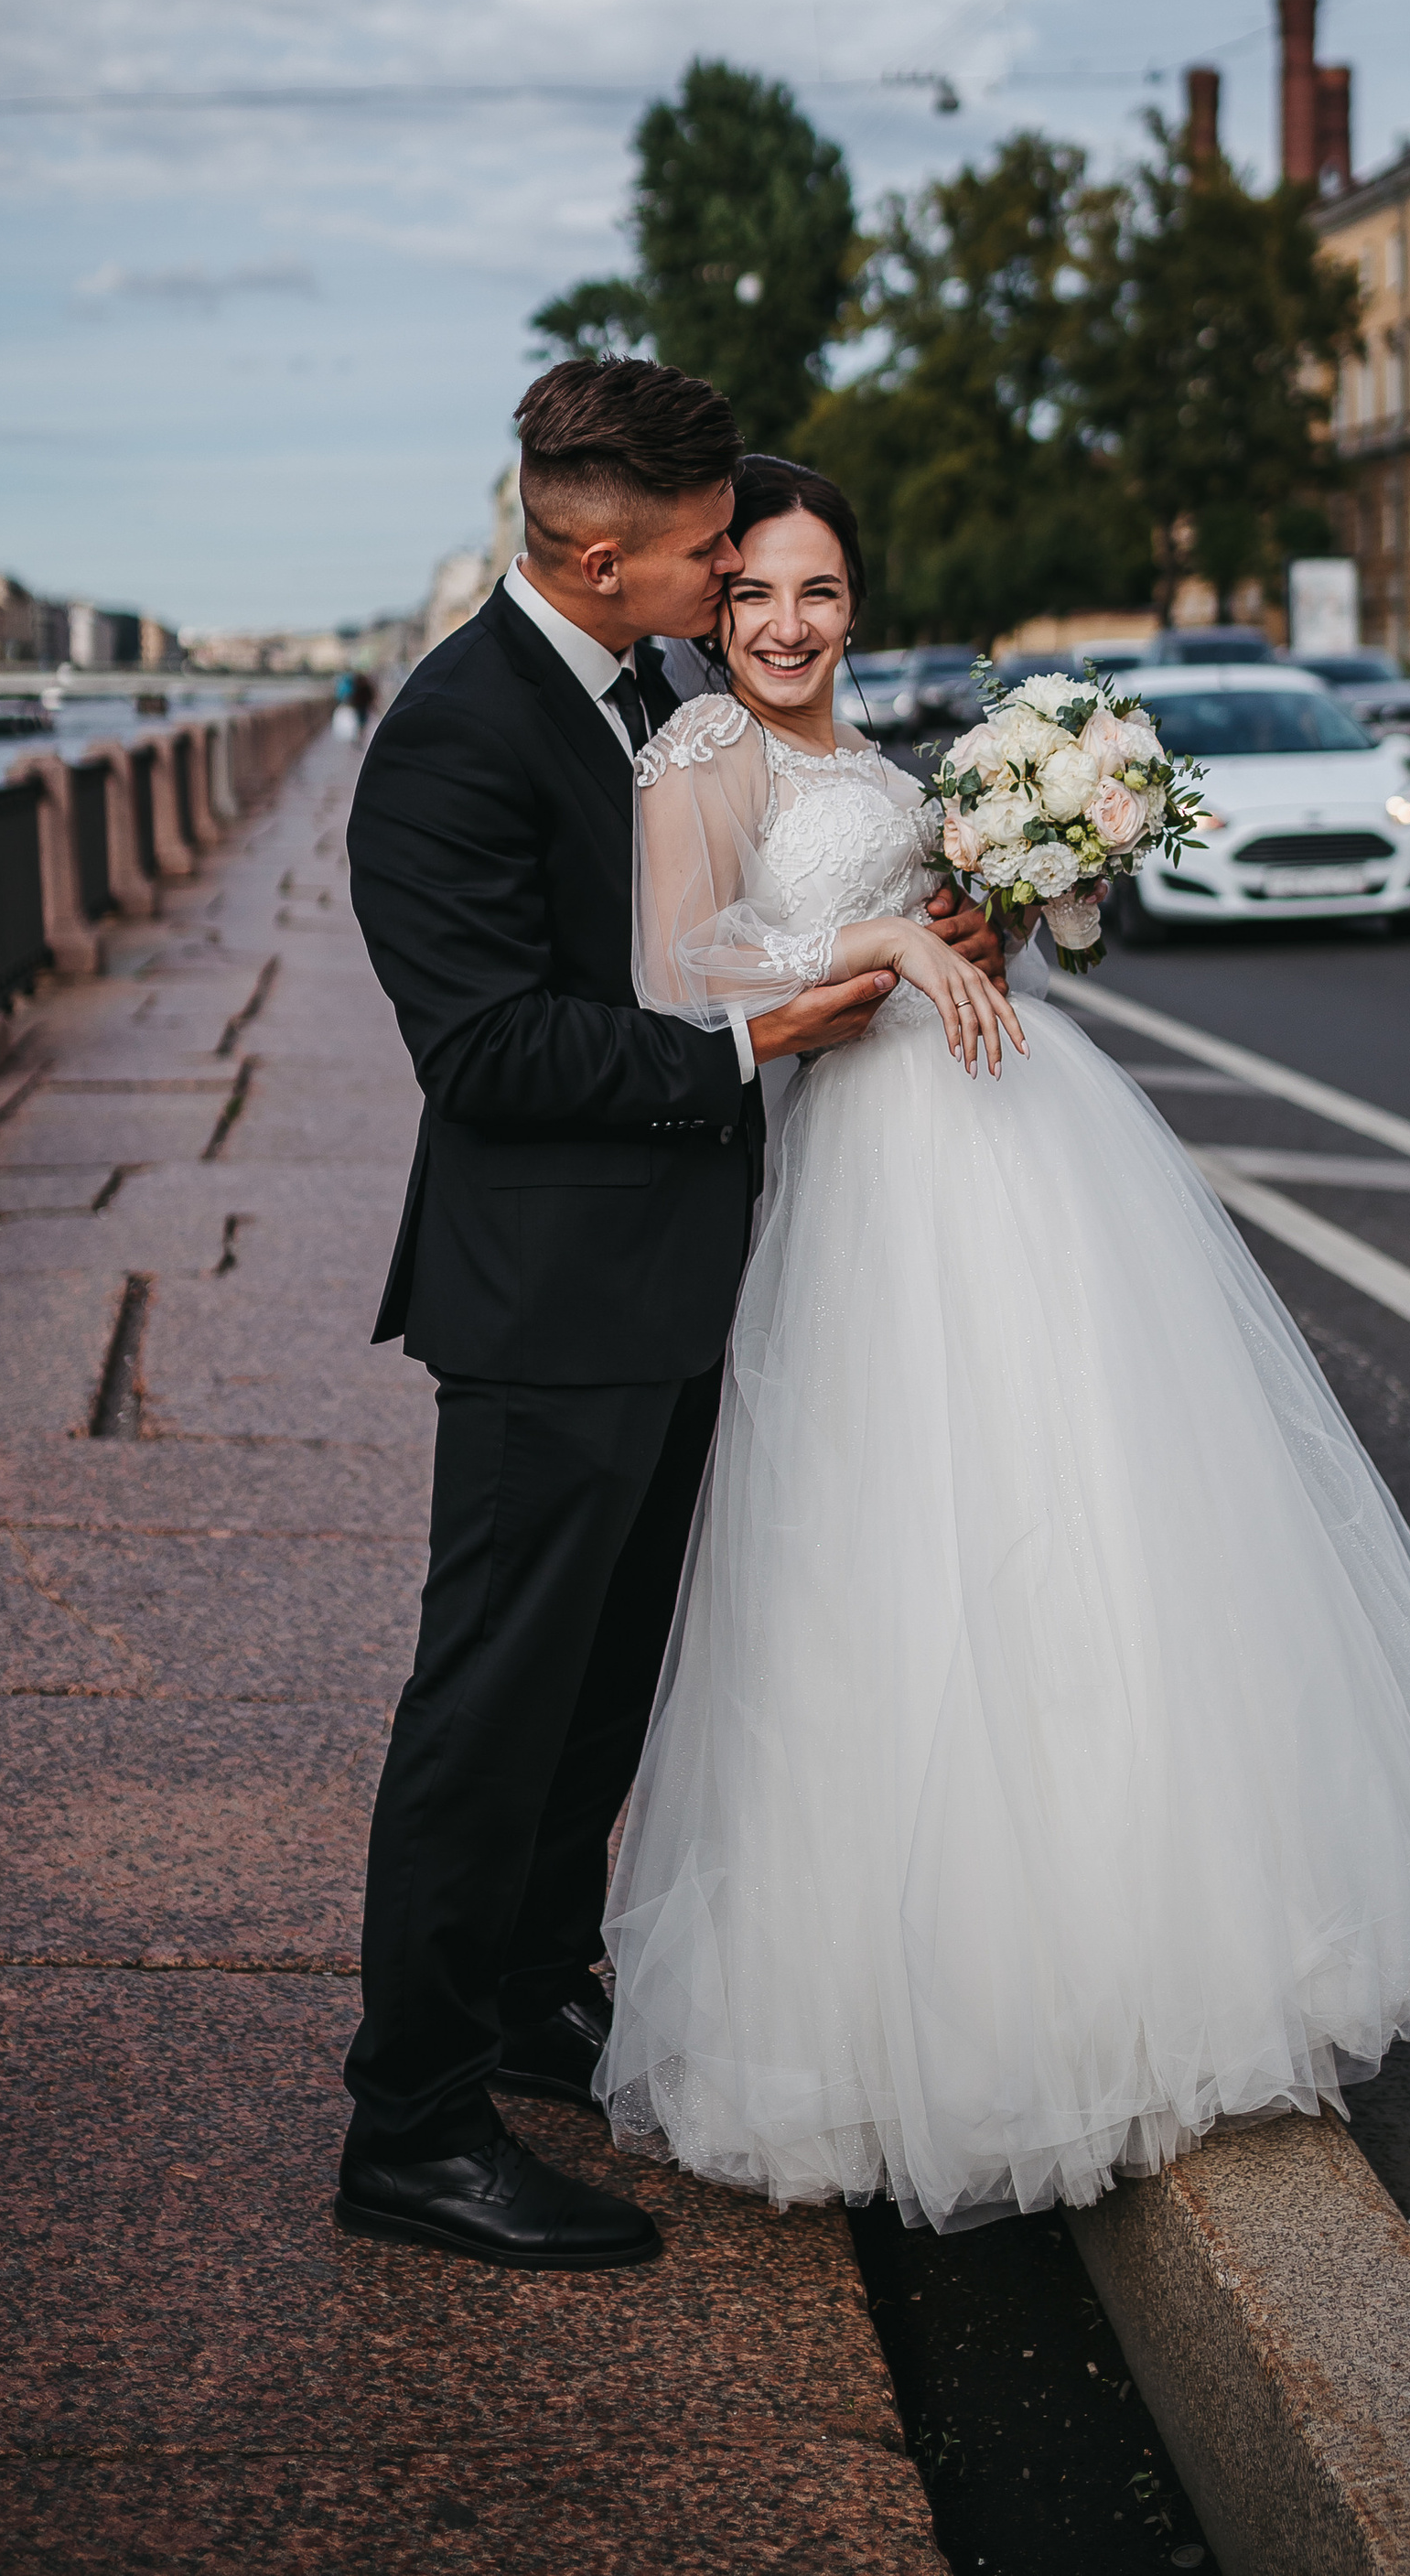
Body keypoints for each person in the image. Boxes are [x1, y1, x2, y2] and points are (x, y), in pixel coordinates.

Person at [598, 459, 1410, 2234]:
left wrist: (1027, 892)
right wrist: (894, 935)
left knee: (1102, 1521)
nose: (782, 623)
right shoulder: (698, 761)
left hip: (1026, 1143)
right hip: (869, 1188)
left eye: (817, 590)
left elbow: (998, 952)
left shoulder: (889, 764)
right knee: (904, 1554)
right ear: (707, 603)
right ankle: (944, 2011)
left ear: (856, 601)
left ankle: (1154, 1960)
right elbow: (682, 972)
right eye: (751, 591)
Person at [335, 360, 1004, 2272]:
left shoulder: (648, 681)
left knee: (597, 1692)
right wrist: (771, 1029)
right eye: (715, 552)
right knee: (490, 1708)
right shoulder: (455, 734)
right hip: (548, 1302)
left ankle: (540, 1995)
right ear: (606, 549)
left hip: (680, 1279)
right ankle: (410, 2125)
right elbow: (486, 1049)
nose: (736, 584)